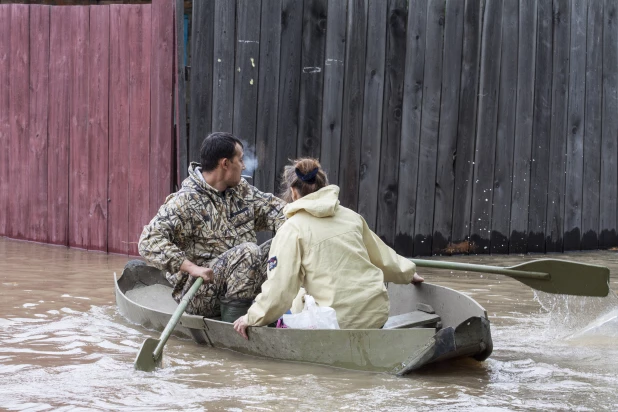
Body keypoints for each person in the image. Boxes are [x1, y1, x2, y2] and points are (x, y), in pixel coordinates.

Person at [233, 158, 423, 338]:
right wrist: (408, 273)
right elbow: (382, 257)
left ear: (293, 192)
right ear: (324, 186)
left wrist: (251, 318)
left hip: (334, 325)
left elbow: (280, 290)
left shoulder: (291, 229)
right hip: (376, 317)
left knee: (294, 297)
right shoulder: (351, 217)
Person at [138, 132, 286, 317]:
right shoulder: (186, 201)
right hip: (200, 293)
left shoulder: (241, 191)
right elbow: (148, 242)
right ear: (225, 164)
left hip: (244, 285)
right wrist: (192, 268)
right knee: (248, 251)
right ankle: (233, 325)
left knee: (286, 239)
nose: (244, 165)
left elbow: (279, 212)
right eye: (240, 160)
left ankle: (270, 310)